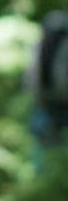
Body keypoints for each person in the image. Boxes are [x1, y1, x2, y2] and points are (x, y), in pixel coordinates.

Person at [26, 10, 68, 160]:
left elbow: (30, 74)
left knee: (43, 146)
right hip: (62, 99)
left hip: (43, 100)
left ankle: (43, 171)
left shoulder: (39, 44)